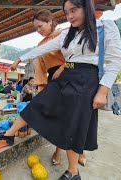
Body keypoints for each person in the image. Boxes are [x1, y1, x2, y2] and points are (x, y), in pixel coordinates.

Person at [0, 0, 121, 179]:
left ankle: (73, 172)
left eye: (73, 10)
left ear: (87, 6)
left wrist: (102, 91)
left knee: (73, 125)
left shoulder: (105, 27)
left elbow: (115, 61)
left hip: (86, 80)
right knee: (37, 104)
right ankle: (9, 134)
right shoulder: (67, 33)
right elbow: (43, 49)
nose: (69, 16)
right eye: (66, 13)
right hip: (65, 77)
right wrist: (20, 58)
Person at [33, 9, 87, 166]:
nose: (38, 31)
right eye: (35, 28)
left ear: (50, 21)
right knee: (59, 117)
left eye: (40, 26)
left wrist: (63, 67)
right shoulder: (40, 45)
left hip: (73, 74)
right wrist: (41, 92)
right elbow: (40, 70)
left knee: (76, 115)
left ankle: (80, 149)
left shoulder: (65, 33)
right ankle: (59, 150)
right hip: (54, 80)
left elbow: (79, 53)